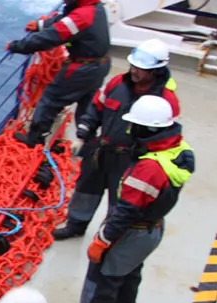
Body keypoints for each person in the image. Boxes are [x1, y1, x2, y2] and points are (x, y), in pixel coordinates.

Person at [55, 95, 194, 303]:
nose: (130, 130)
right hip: (151, 229)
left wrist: (102, 241)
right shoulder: (178, 151)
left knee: (100, 281)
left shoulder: (148, 169)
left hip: (129, 232)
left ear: (148, 129)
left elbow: (125, 212)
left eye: (135, 126)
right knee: (130, 272)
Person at [54, 38, 181, 240]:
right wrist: (83, 133)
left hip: (129, 160)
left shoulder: (165, 101)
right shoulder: (117, 84)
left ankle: (108, 236)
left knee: (120, 201)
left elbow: (167, 137)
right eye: (133, 65)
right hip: (101, 151)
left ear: (155, 71)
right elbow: (96, 107)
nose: (134, 71)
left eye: (141, 68)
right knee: (86, 190)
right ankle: (76, 225)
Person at [6, 0, 111, 148]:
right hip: (100, 64)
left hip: (82, 69)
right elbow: (65, 20)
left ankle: (35, 141)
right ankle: (88, 145)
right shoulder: (94, 7)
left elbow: (51, 37)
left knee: (50, 100)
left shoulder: (81, 16)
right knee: (86, 105)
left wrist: (17, 46)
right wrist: (41, 25)